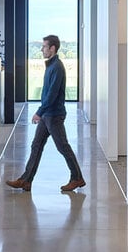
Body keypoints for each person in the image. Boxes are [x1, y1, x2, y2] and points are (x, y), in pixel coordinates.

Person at [6, 34, 86, 192]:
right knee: (36, 145)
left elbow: (52, 94)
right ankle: (26, 180)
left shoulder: (57, 67)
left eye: (44, 46)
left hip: (54, 115)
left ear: (52, 48)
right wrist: (43, 112)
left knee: (63, 147)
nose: (42, 49)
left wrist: (39, 112)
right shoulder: (51, 65)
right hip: (47, 114)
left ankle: (77, 178)